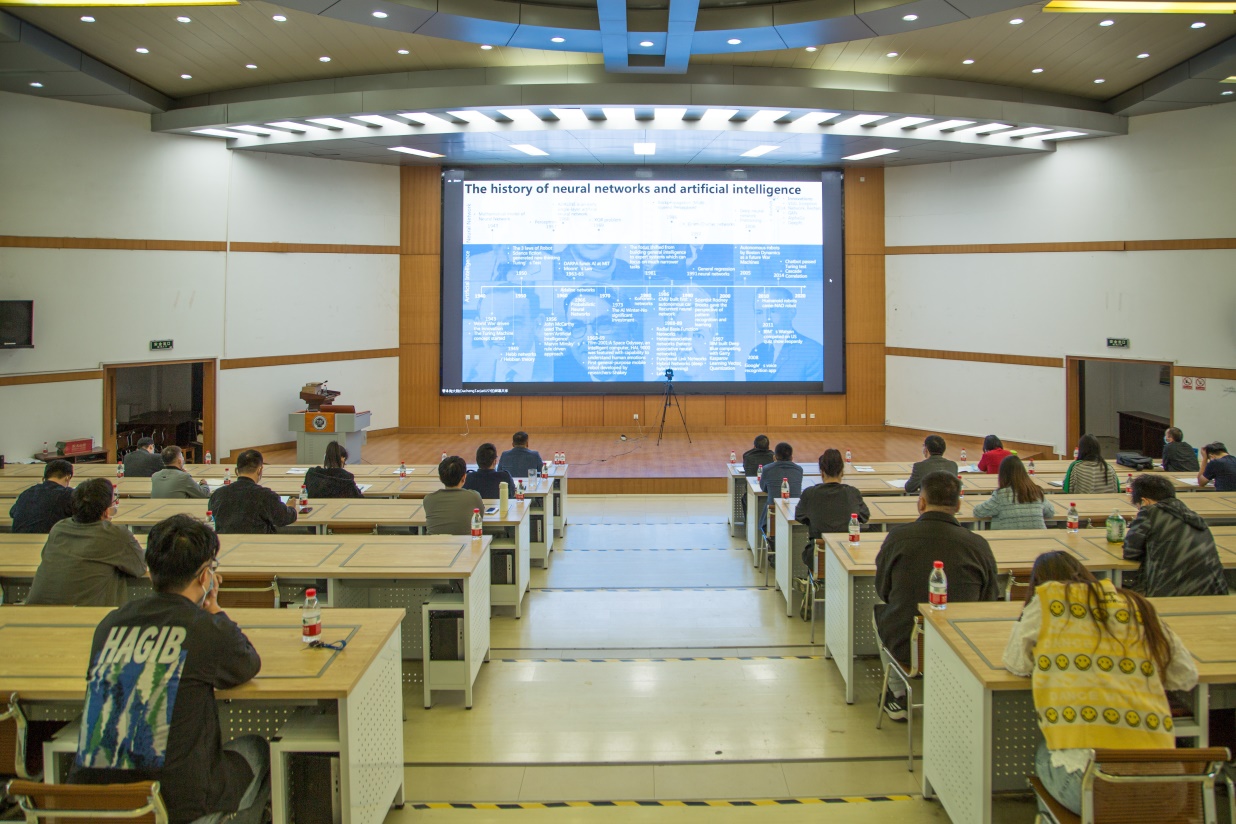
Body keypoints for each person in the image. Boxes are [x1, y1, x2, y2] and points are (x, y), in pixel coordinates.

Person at [69, 514, 269, 824]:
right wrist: (215, 608)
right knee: (257, 748)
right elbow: (247, 664)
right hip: (174, 806)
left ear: (151, 572)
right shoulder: (205, 629)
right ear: (205, 577)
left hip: (94, 804)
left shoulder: (109, 625)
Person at [1002, 551, 1197, 817]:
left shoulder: (1048, 601)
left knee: (1043, 753)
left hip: (1097, 790)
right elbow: (1185, 676)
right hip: (1168, 791)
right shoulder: (1137, 604)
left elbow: (1016, 663)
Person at [875, 471, 999, 719]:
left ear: (921, 503)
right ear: (959, 505)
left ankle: (897, 693)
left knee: (879, 610)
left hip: (908, 644)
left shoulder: (898, 537)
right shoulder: (978, 545)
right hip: (964, 646)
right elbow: (989, 599)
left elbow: (883, 591)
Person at [25, 478, 147, 607]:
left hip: (35, 612)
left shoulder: (58, 528)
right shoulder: (116, 535)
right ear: (106, 511)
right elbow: (139, 567)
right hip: (81, 615)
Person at [1123, 474, 1228, 597]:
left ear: (1145, 501)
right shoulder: (1193, 516)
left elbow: (1131, 552)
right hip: (1214, 591)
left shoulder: (1150, 512)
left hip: (1171, 593)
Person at [793, 449, 870, 570]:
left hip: (818, 556)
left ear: (822, 472)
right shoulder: (852, 493)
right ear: (842, 472)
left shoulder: (809, 493)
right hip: (848, 555)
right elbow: (864, 516)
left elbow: (799, 516)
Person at [208, 450, 297, 534]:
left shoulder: (217, 494)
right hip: (258, 543)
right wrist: (290, 508)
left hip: (224, 543)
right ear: (259, 470)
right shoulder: (265, 495)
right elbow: (283, 519)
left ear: (236, 471)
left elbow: (212, 516)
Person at [744, 288, 824, 382]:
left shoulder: (814, 353)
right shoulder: (756, 353)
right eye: (759, 312)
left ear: (791, 312)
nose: (765, 320)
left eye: (773, 311)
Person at [972, 455, 1056, 530]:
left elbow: (978, 512)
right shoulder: (1036, 491)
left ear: (1002, 474)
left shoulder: (1001, 494)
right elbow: (1050, 512)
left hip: (1008, 539)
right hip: (1039, 538)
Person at [9, 459, 74, 533]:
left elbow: (12, 513)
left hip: (17, 537)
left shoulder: (27, 492)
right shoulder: (67, 493)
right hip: (47, 538)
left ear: (44, 478)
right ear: (68, 477)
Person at [423, 456, 484, 535]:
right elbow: (480, 518)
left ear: (440, 478)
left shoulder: (428, 499)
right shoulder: (474, 496)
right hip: (466, 542)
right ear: (464, 477)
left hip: (435, 543)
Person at [758, 442, 804, 537]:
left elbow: (763, 488)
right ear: (791, 457)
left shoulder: (767, 469)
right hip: (794, 516)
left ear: (774, 457)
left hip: (772, 519)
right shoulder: (799, 470)